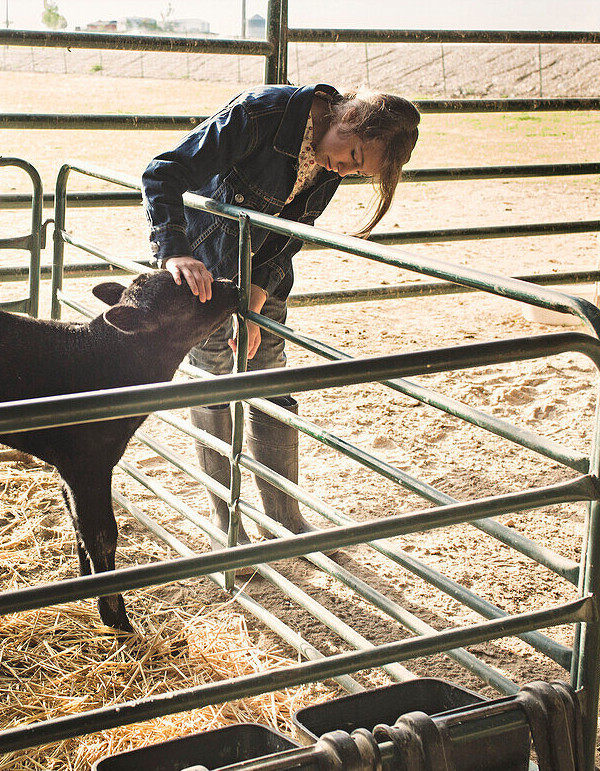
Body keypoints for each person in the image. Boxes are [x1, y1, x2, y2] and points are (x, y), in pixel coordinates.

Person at [142, 83, 420, 547]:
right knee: (214, 378)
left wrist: (252, 304)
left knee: (269, 379)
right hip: (204, 270)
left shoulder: (333, 156)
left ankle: (285, 520)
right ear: (346, 117)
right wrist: (174, 251)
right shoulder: (261, 114)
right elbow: (163, 172)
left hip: (262, 275)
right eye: (351, 154)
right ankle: (226, 525)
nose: (344, 168)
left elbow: (293, 229)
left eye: (357, 170)